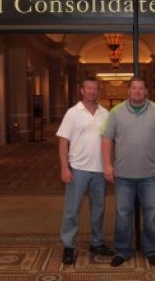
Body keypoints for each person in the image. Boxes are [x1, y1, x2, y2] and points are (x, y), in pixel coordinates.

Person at [101, 76, 155, 267]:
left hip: (150, 175)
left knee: (151, 214)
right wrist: (108, 165)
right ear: (128, 91)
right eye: (134, 88)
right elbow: (106, 139)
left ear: (146, 91)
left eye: (141, 88)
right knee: (123, 214)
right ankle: (122, 250)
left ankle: (152, 250)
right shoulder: (116, 112)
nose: (137, 92)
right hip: (123, 175)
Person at [56, 77, 114, 265]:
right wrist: (64, 167)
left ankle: (96, 242)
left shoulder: (105, 113)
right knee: (72, 210)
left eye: (95, 89)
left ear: (98, 91)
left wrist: (109, 165)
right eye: (88, 88)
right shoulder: (72, 113)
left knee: (98, 209)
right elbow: (63, 142)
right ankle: (68, 245)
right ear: (82, 91)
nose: (92, 92)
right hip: (78, 170)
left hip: (99, 170)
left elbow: (110, 141)